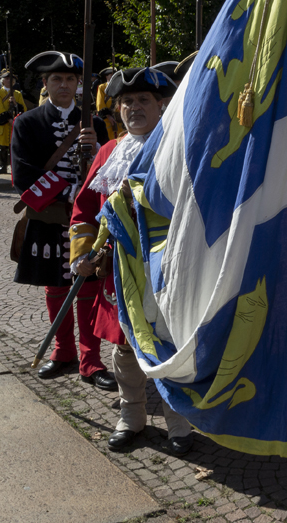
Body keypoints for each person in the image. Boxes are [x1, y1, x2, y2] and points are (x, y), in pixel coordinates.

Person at [69, 66, 193, 455]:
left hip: (167, 270)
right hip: (118, 272)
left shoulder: (180, 146)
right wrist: (83, 253)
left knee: (170, 346)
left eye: (143, 100)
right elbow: (85, 208)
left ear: (162, 105)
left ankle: (180, 423)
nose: (133, 108)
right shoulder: (109, 152)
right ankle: (131, 417)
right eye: (125, 102)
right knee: (124, 348)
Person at [11, 51, 108, 386]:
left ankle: (91, 359)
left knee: (90, 284)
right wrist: (69, 192)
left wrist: (96, 153)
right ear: (45, 83)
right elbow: (22, 174)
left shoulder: (94, 124)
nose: (64, 85)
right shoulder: (28, 122)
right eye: (57, 79)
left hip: (86, 220)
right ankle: (63, 351)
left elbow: (109, 169)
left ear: (79, 83)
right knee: (56, 283)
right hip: (51, 215)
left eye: (70, 79)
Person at [0, 68, 26, 175]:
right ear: (2, 80)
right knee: (2, 147)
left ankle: (15, 167)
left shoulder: (17, 94)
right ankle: (2, 166)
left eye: (11, 79)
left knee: (14, 147)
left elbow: (23, 109)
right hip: (3, 124)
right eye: (7, 78)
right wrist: (9, 119)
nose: (9, 80)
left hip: (14, 124)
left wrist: (15, 104)